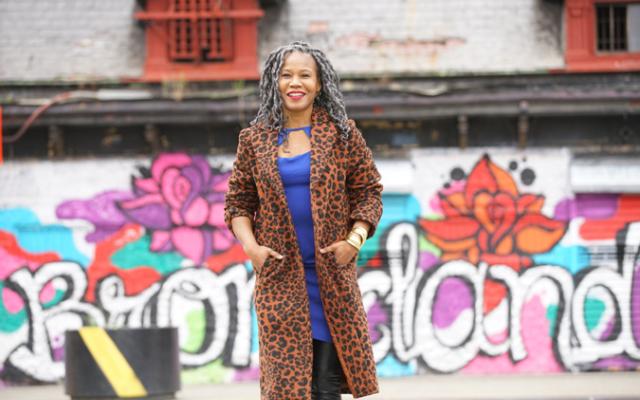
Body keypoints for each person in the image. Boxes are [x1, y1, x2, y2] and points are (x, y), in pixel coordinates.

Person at [224, 41, 383, 400]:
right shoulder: (254, 140)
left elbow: (369, 192)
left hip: (331, 278)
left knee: (326, 384)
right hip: (280, 279)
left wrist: (353, 242)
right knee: (288, 388)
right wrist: (253, 249)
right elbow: (237, 203)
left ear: (319, 83)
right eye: (286, 75)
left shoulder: (342, 135)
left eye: (304, 75)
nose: (295, 83)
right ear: (273, 83)